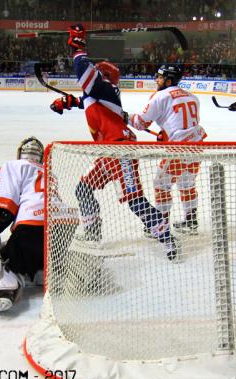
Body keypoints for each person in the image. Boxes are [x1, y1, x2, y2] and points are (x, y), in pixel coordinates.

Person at [50, 23, 178, 261]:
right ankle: (93, 233)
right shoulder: (104, 94)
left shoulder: (104, 88)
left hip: (121, 151)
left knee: (134, 201)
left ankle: (167, 238)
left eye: (98, 70)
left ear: (104, 76)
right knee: (84, 188)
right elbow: (86, 101)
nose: (94, 72)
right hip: (109, 151)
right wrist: (67, 103)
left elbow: (82, 69)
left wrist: (78, 45)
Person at [0, 137, 77, 312]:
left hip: (33, 226)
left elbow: (2, 212)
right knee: (35, 251)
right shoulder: (47, 172)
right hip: (65, 226)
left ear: (20, 154)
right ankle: (43, 271)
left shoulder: (13, 166)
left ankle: (3, 287)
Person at [128, 64, 207, 234]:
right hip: (197, 145)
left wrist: (125, 117)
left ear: (169, 80)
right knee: (187, 183)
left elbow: (140, 123)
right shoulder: (192, 96)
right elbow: (183, 122)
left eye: (160, 77)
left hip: (178, 149)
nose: (157, 80)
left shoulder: (160, 96)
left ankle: (161, 226)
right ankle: (191, 221)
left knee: (161, 185)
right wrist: (165, 133)